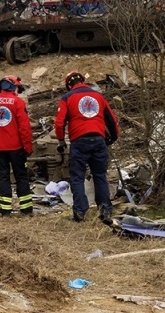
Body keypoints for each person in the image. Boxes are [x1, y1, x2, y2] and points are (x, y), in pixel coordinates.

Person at [55, 71, 119, 224]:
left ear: (69, 85)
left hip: (79, 142)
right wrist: (113, 137)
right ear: (83, 81)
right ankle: (105, 210)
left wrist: (61, 141)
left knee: (77, 177)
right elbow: (112, 119)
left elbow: (59, 122)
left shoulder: (67, 98)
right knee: (100, 176)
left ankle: (80, 212)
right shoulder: (98, 96)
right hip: (98, 140)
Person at [0, 75, 33, 216]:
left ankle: (5, 210)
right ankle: (26, 209)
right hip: (16, 148)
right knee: (21, 176)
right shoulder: (18, 102)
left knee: (3, 176)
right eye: (18, 88)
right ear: (13, 87)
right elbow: (24, 128)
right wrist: (28, 147)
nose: (18, 91)